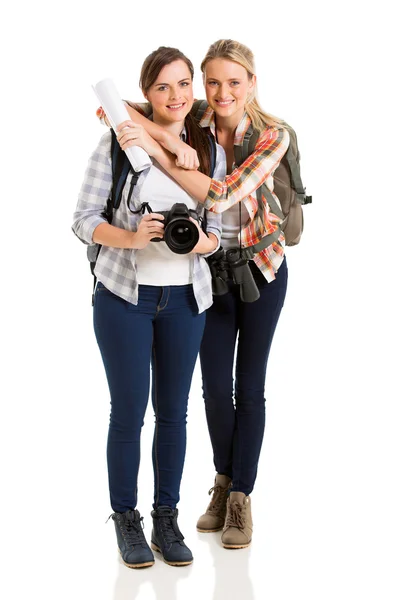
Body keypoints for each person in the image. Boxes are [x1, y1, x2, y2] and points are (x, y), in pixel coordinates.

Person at [99, 39, 291, 550]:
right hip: (207, 274)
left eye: (234, 81)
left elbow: (222, 194)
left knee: (248, 388)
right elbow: (126, 107)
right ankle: (221, 484)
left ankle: (241, 500)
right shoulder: (199, 119)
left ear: (252, 82)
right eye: (212, 82)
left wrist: (159, 145)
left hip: (259, 268)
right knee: (209, 391)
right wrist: (149, 125)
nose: (221, 91)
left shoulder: (274, 136)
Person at [73, 46, 225, 568]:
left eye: (184, 84)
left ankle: (166, 516)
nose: (177, 96)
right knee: (128, 413)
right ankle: (126, 520)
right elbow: (83, 220)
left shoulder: (206, 147)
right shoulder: (117, 144)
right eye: (163, 87)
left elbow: (218, 233)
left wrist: (202, 242)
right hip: (124, 299)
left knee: (175, 415)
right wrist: (133, 238)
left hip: (186, 301)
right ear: (148, 93)